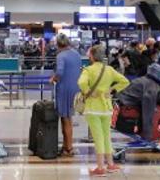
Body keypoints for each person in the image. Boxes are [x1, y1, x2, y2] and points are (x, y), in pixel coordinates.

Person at [78, 45, 129, 176]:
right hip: (107, 107)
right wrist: (111, 90)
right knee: (106, 136)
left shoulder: (88, 70)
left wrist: (88, 91)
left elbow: (81, 83)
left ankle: (100, 167)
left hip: (93, 108)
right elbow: (125, 81)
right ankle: (111, 164)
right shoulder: (109, 70)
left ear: (92, 56)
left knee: (98, 138)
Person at [50, 34, 81, 157]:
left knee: (65, 118)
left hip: (64, 89)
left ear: (58, 44)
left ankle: (69, 148)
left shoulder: (61, 55)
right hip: (75, 88)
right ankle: (66, 145)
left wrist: (54, 78)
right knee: (68, 117)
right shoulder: (76, 54)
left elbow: (60, 72)